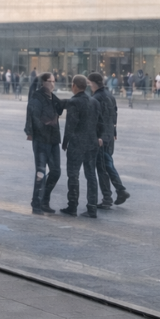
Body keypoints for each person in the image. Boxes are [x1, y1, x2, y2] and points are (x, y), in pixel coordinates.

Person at [60, 74, 100, 218]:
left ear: (75, 86)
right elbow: (99, 123)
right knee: (91, 176)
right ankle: (92, 207)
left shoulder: (74, 102)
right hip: (92, 144)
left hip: (77, 144)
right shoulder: (94, 102)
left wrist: (65, 143)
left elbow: (70, 125)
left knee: (73, 175)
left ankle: (72, 206)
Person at [24, 72, 63, 214]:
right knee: (40, 172)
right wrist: (39, 128)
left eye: (54, 81)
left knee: (56, 172)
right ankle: (36, 203)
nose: (53, 84)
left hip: (53, 140)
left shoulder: (52, 97)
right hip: (41, 140)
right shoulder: (37, 97)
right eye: (50, 81)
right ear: (43, 82)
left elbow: (62, 106)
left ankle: (44, 199)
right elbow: (33, 117)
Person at [89, 72, 129, 209]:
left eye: (89, 83)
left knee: (103, 167)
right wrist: (114, 132)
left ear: (93, 83)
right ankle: (116, 192)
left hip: (101, 138)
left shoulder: (96, 98)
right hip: (109, 136)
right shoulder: (110, 95)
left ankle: (114, 194)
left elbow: (95, 119)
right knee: (107, 164)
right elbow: (114, 115)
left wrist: (95, 136)